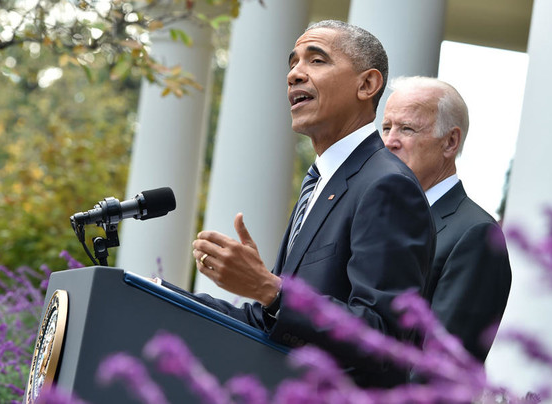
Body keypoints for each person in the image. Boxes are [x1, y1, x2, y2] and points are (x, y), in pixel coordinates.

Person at [178, 20, 435, 387]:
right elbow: (275, 323)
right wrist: (157, 293)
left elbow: (384, 339)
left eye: (316, 60)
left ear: (367, 84)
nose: (295, 74)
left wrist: (271, 290)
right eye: (292, 63)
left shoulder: (387, 186)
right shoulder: (320, 183)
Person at [381, 76, 512, 363]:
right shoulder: (376, 219)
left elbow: (441, 372)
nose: (390, 142)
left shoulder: (476, 235)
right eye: (386, 127)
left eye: (407, 128)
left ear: (450, 142)